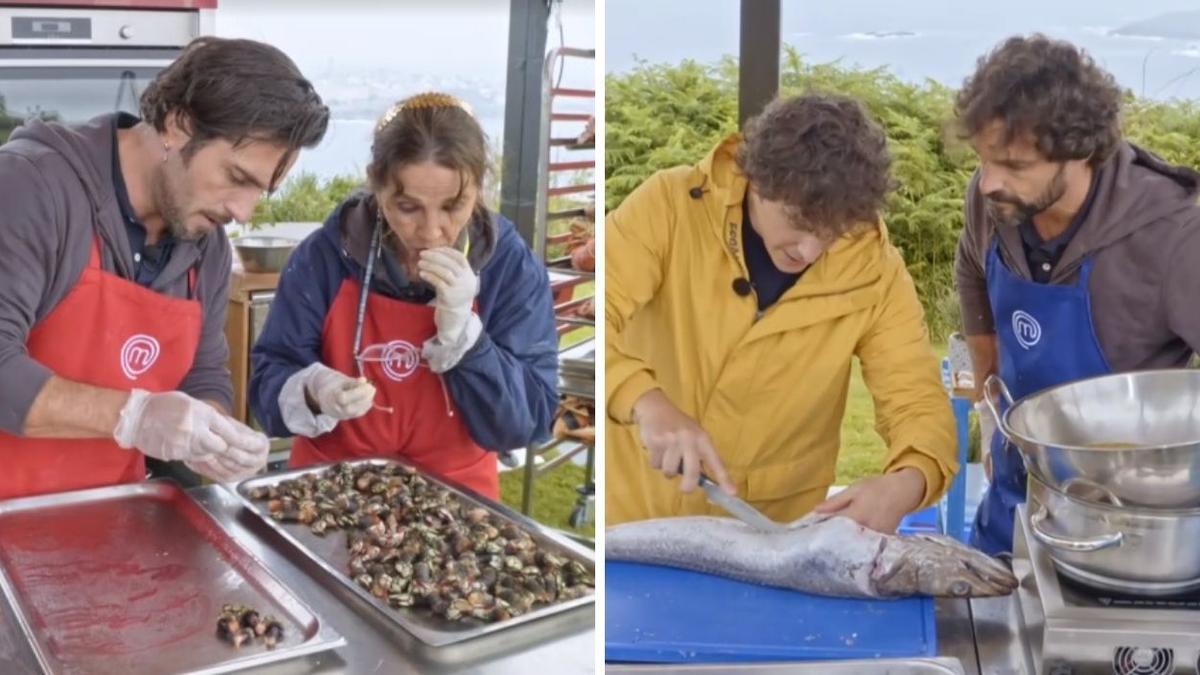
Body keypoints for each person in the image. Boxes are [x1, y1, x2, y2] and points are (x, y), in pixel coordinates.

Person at [606, 92, 957, 530]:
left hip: (771, 543)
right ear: (756, 180)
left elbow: (916, 400)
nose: (810, 250)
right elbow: (594, 315)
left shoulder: (877, 272)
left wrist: (908, 482)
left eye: (833, 230)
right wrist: (643, 400)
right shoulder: (668, 205)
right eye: (797, 221)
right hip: (630, 522)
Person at [0, 37, 329, 499]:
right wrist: (133, 417)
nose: (242, 212)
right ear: (178, 125)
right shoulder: (30, 189)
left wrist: (212, 436)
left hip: (107, 519)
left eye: (262, 191)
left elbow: (204, 373)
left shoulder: (206, 247)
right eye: (237, 178)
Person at [955, 35, 1200, 556]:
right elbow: (971, 270)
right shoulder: (994, 199)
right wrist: (988, 394)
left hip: (1124, 530)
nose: (989, 181)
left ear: (1080, 152)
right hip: (1011, 505)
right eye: (984, 159)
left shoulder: (1174, 235)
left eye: (1015, 166)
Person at [248, 92, 558, 499]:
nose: (431, 231)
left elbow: (528, 423)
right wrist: (313, 390)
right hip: (328, 492)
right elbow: (266, 393)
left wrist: (468, 341)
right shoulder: (324, 257)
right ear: (376, 184)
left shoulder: (511, 268)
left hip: (457, 504)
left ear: (479, 190)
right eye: (408, 207)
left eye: (453, 206)